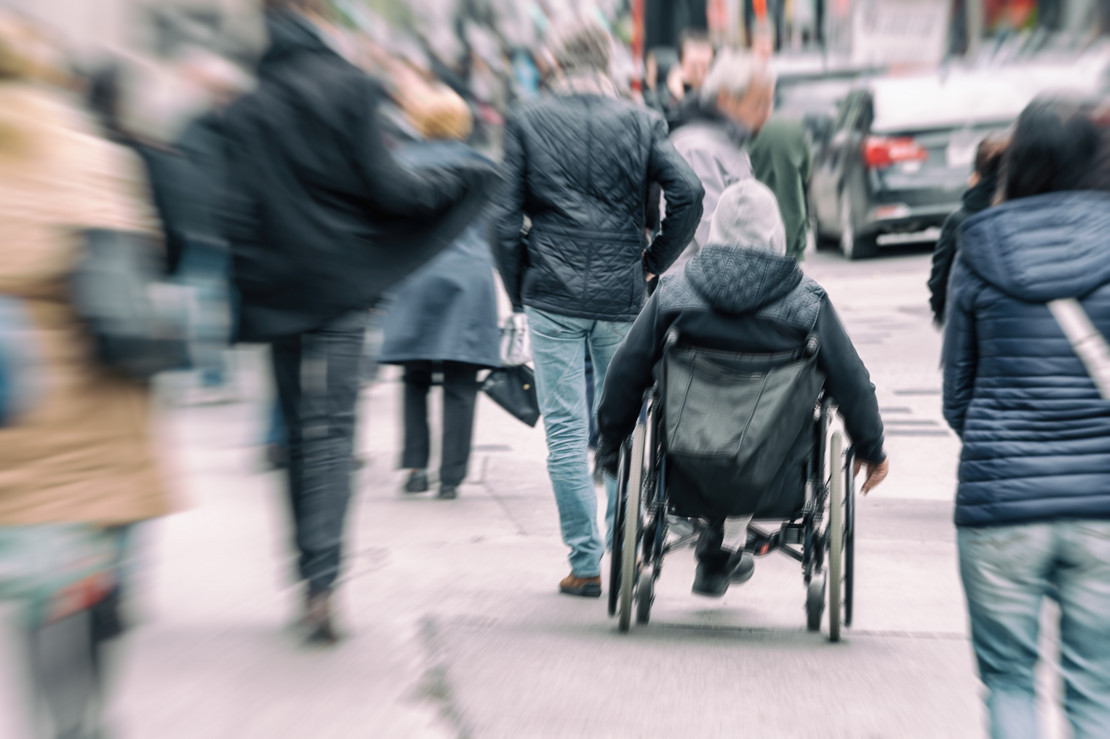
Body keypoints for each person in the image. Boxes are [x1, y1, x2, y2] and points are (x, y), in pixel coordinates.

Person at [223, 0, 495, 644]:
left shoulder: (247, 104)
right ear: (318, 14)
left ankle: (304, 573)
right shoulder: (350, 88)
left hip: (277, 289)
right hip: (343, 285)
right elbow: (392, 190)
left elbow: (235, 212)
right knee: (332, 431)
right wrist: (465, 178)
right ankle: (325, 582)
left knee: (294, 431)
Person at [492, 15, 704, 598]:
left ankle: (585, 564)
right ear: (607, 64)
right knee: (626, 428)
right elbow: (689, 193)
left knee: (564, 432)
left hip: (552, 292)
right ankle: (627, 548)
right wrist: (654, 260)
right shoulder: (641, 121)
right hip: (620, 291)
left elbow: (502, 219)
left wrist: (520, 285)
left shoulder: (527, 122)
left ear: (557, 65)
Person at [0, 13, 170, 734]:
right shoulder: (90, 153)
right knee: (80, 573)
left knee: (37, 573)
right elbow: (137, 276)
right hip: (83, 402)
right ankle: (78, 721)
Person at [596, 181, 889, 597]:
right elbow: (852, 381)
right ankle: (721, 553)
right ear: (775, 232)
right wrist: (871, 448)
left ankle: (717, 554)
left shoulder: (674, 294)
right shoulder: (806, 303)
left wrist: (611, 440)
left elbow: (626, 372)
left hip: (687, 465)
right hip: (778, 470)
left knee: (700, 424)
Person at [943, 98, 1110, 738]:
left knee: (1009, 681)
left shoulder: (979, 246)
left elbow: (957, 393)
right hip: (1102, 507)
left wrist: (1000, 439)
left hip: (1000, 503)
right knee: (1095, 690)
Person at [379, 83, 501, 501]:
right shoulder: (483, 166)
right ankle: (450, 477)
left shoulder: (398, 162)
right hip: (467, 278)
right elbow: (498, 229)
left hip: (414, 275)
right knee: (461, 380)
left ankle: (415, 467)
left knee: (414, 377)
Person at [667, 49, 775, 270]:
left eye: (768, 104)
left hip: (727, 283)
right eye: (759, 104)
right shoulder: (695, 149)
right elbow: (715, 237)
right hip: (697, 292)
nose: (766, 114)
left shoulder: (730, 143)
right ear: (726, 98)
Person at [927, 133, 1007, 326]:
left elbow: (940, 279)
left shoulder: (960, 221)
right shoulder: (1027, 212)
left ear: (975, 177)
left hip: (971, 324)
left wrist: (942, 315)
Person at [749, 114, 812, 262]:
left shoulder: (747, 126)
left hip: (757, 224)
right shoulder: (795, 127)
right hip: (792, 224)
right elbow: (806, 171)